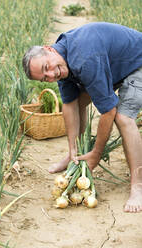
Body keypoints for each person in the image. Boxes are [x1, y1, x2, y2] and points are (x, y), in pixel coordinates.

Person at [22, 22, 142, 213]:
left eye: (47, 67)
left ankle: (138, 186)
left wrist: (96, 153)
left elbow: (108, 112)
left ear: (48, 49)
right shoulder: (60, 60)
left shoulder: (84, 58)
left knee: (122, 116)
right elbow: (70, 105)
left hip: (137, 62)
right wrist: (72, 149)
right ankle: (74, 156)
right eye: (45, 78)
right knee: (78, 102)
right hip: (113, 66)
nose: (51, 75)